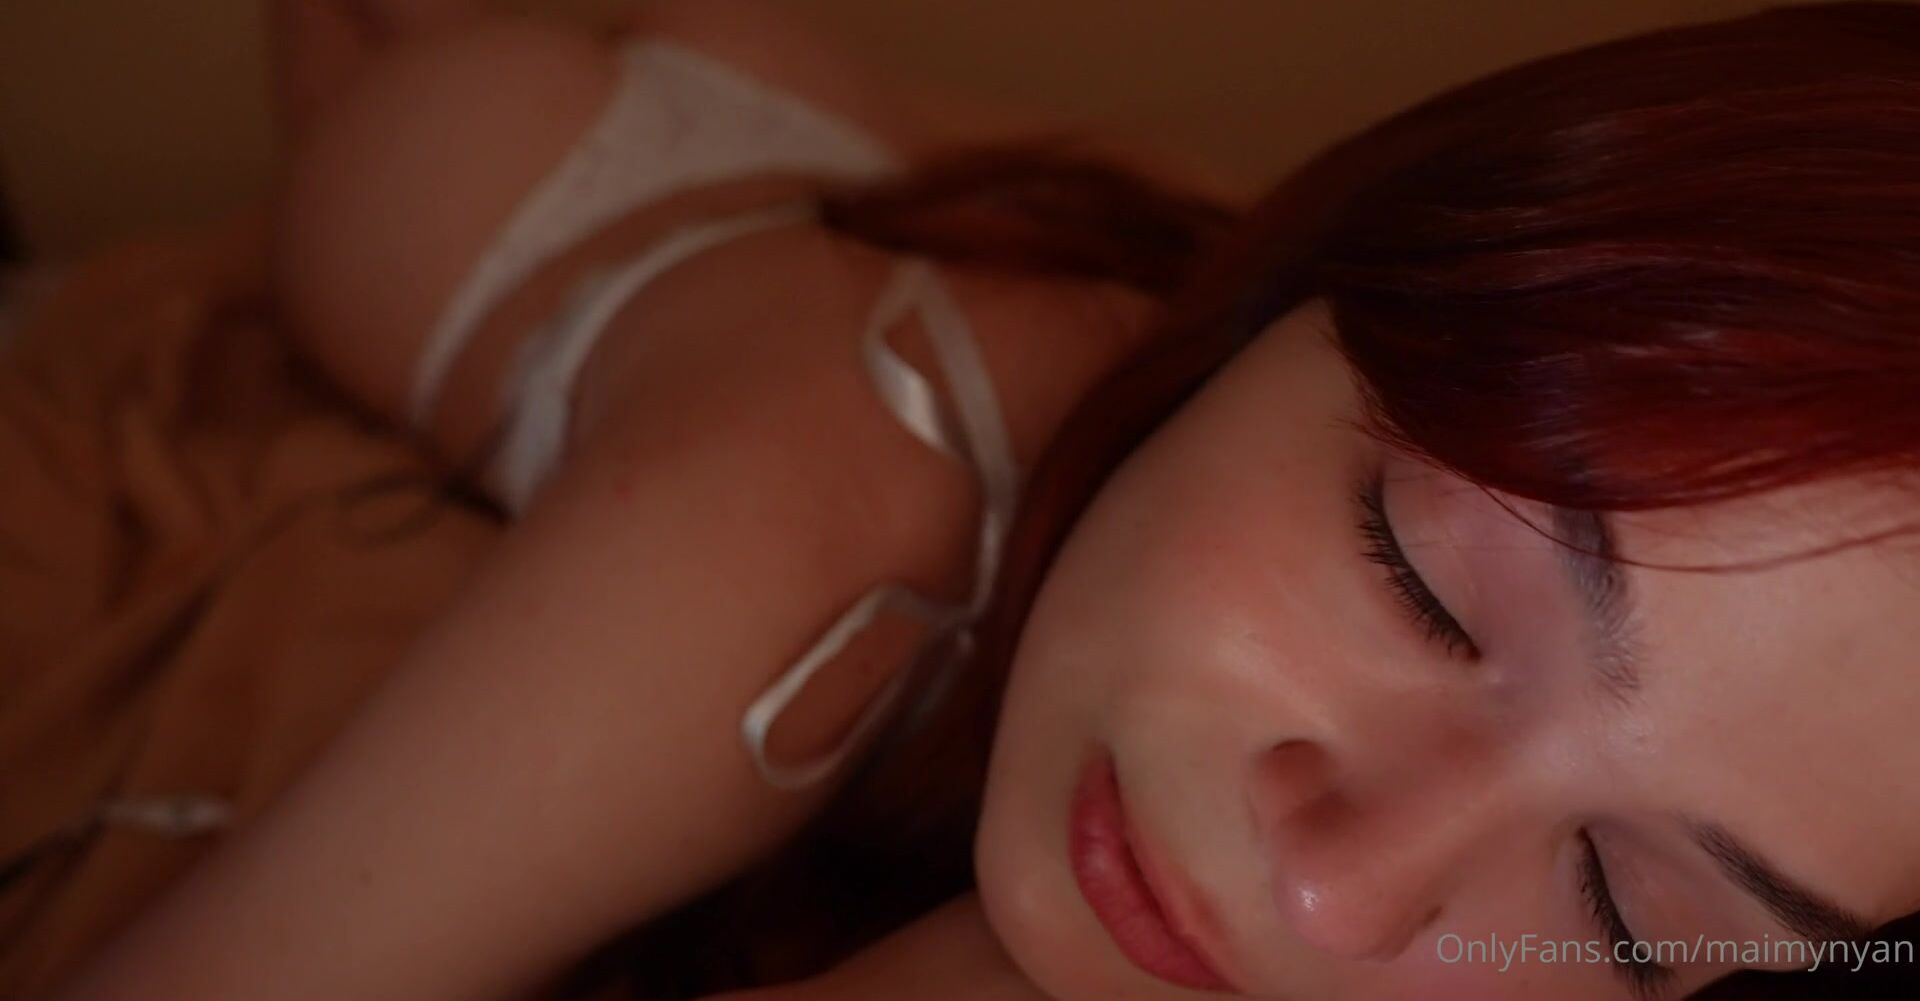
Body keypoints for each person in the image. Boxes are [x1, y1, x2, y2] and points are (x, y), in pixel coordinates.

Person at [45, 0, 1920, 998]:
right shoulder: (803, 529)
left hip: (981, 252)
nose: (1335, 882)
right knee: (385, 71)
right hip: (567, 180)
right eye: (1420, 576)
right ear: (1321, 271)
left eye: (1625, 917)